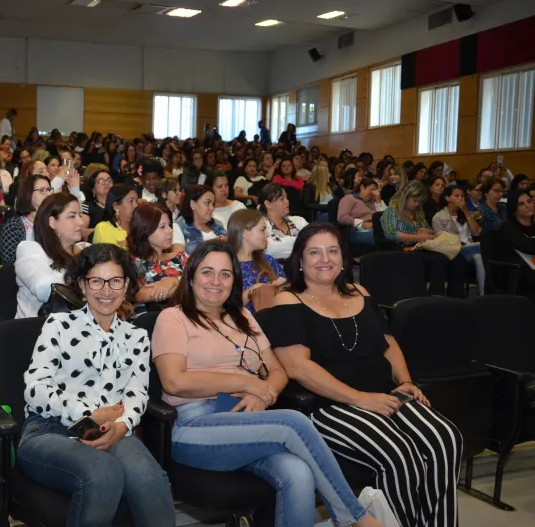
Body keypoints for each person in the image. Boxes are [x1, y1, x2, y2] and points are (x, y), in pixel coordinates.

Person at [152, 240, 381, 527]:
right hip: (193, 427)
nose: (216, 281)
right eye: (207, 272)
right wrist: (247, 383)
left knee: (298, 473)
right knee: (294, 423)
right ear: (191, 276)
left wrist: (265, 395)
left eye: (225, 274)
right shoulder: (173, 318)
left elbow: (277, 369)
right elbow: (174, 382)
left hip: (247, 419)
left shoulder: (243, 317)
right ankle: (355, 517)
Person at [264, 223, 462, 527]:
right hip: (330, 405)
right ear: (300, 261)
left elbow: (389, 344)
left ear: (344, 259)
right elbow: (297, 367)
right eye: (314, 252)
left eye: (332, 251)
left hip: (383, 393)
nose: (325, 258)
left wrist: (405, 382)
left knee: (446, 438)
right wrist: (361, 399)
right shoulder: (287, 300)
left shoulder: (360, 292)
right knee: (400, 454)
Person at [20, 243, 175, 527]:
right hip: (49, 429)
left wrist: (122, 425)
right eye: (96, 281)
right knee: (103, 473)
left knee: (150, 479)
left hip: (112, 429)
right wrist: (87, 414)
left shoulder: (136, 336)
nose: (107, 290)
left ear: (127, 284)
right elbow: (34, 388)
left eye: (116, 281)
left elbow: (137, 393)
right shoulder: (58, 324)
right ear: (82, 284)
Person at [381, 181, 467, 298]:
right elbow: (391, 234)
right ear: (405, 197)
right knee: (439, 260)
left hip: (423, 247)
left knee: (458, 260)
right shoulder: (391, 211)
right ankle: (436, 299)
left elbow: (431, 231)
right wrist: (419, 237)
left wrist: (428, 232)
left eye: (419, 202)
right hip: (404, 250)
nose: (417, 204)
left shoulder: (418, 212)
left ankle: (456, 300)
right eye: (414, 200)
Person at [14, 193, 88, 318]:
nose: (80, 222)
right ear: (52, 222)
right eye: (72, 216)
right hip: (39, 328)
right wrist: (92, 292)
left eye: (80, 215)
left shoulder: (86, 249)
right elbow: (44, 287)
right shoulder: (30, 249)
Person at [128, 203, 189, 310]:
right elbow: (135, 296)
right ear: (144, 231)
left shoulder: (181, 257)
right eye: (162, 227)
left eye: (169, 225)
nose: (170, 230)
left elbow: (198, 283)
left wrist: (175, 281)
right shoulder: (130, 262)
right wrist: (179, 286)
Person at [227, 209, 286, 313]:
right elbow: (223, 308)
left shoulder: (268, 260)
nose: (267, 234)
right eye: (262, 229)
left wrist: (283, 286)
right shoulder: (227, 266)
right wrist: (252, 291)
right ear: (245, 233)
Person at [432, 185, 483, 295]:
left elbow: (476, 232)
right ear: (447, 198)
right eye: (456, 195)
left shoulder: (465, 214)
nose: (460, 198)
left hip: (470, 248)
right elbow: (442, 240)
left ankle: (484, 292)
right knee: (478, 257)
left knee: (481, 253)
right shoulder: (439, 217)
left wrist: (465, 211)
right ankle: (482, 293)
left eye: (462, 196)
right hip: (454, 250)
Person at [0, 175, 51, 264]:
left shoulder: (56, 221)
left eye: (49, 190)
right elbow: (9, 262)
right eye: (42, 190)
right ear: (29, 194)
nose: (49, 194)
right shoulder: (14, 225)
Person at [259, 183, 308, 261]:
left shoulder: (299, 221)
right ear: (268, 204)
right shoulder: (260, 226)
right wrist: (303, 243)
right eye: (282, 199)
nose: (287, 201)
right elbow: (269, 249)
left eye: (286, 198)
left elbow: (314, 240)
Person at [175, 185, 226, 254]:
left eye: (213, 204)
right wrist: (211, 245)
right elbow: (180, 260)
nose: (212, 208)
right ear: (193, 204)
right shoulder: (179, 226)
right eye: (207, 203)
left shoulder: (217, 224)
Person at [337, 178, 384, 249]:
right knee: (382, 236)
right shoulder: (349, 199)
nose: (375, 193)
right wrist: (363, 224)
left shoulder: (373, 201)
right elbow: (341, 217)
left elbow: (386, 216)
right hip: (357, 231)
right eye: (372, 190)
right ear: (362, 187)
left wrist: (379, 201)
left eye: (376, 190)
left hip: (376, 228)